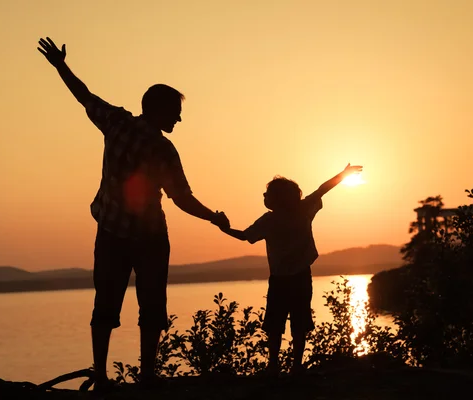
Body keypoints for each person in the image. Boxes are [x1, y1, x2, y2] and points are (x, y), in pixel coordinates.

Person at [37, 37, 230, 391]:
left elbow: (84, 95)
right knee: (151, 308)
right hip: (148, 238)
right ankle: (146, 377)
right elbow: (182, 198)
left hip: (113, 231)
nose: (179, 118)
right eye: (175, 112)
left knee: (106, 305)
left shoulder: (116, 122)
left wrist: (60, 66)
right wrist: (213, 217)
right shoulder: (162, 148)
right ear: (157, 109)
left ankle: (102, 376)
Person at [218, 163, 362, 375]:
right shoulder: (300, 211)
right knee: (298, 322)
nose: (264, 197)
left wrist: (223, 227)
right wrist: (343, 175)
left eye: (267, 194)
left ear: (279, 198)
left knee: (278, 324)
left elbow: (244, 236)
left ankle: (275, 366)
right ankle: (293, 366)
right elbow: (323, 189)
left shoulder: (274, 218)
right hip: (297, 278)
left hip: (282, 280)